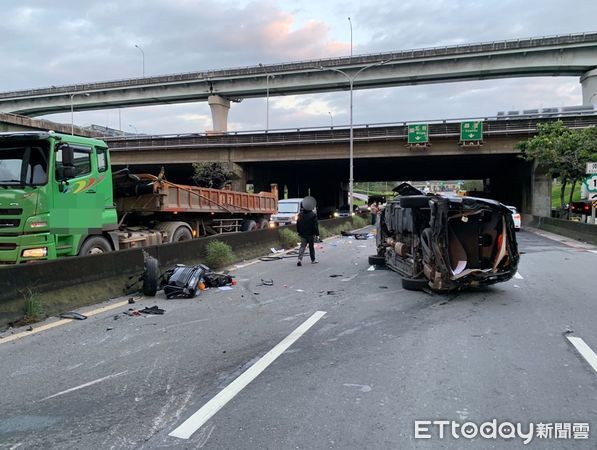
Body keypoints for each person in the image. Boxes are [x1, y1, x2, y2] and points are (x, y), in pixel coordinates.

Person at [296, 197, 319, 266]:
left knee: (302, 246)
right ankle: (313, 260)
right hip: (310, 234)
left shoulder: (300, 214)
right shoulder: (313, 215)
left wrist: (299, 232)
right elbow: (315, 226)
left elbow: (298, 224)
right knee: (311, 247)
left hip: (302, 233)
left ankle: (299, 259)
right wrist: (317, 234)